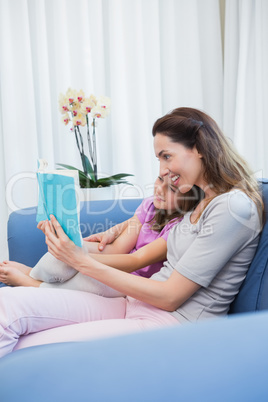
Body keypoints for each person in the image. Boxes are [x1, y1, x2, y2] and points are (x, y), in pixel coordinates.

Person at [0, 107, 263, 358]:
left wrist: (79, 260)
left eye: (166, 156)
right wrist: (103, 234)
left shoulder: (232, 207)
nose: (162, 171)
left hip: (169, 324)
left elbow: (170, 297)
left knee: (25, 349)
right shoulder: (197, 202)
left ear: (198, 148)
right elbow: (143, 224)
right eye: (160, 159)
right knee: (6, 305)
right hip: (133, 304)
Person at [0, 175, 200, 296]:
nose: (160, 189)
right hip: (121, 259)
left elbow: (135, 261)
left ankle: (31, 284)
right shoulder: (150, 205)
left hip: (130, 281)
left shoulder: (180, 229)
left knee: (85, 279)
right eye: (159, 180)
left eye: (172, 189)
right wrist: (74, 251)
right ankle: (32, 273)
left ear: (190, 198)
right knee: (69, 249)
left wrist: (79, 259)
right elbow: (119, 248)